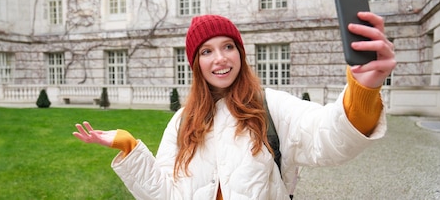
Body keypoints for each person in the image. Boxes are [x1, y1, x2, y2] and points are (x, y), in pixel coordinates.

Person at [73, 13, 396, 199]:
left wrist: (364, 88)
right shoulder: (183, 121)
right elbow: (164, 195)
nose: (221, 59)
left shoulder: (271, 106)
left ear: (240, 53)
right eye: (207, 51)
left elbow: (328, 137)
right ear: (196, 63)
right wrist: (130, 147)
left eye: (228, 46)